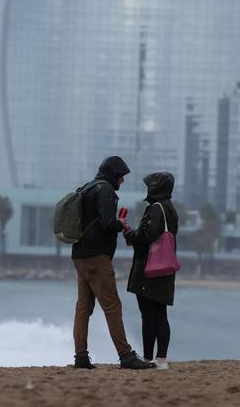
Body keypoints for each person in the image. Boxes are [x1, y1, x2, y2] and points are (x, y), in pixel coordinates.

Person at [71, 155, 155, 370]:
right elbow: (108, 224)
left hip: (80, 255)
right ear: (113, 175)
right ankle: (126, 356)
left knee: (83, 307)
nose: (123, 181)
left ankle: (81, 357)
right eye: (121, 177)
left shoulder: (87, 188)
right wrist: (120, 223)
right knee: (112, 306)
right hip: (97, 257)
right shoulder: (106, 191)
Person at [123, 171, 179, 370]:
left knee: (148, 315)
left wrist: (127, 231)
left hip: (149, 270)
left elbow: (147, 236)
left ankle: (148, 358)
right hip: (164, 268)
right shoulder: (170, 208)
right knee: (160, 314)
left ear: (157, 188)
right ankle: (161, 358)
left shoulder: (156, 208)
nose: (148, 189)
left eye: (150, 186)